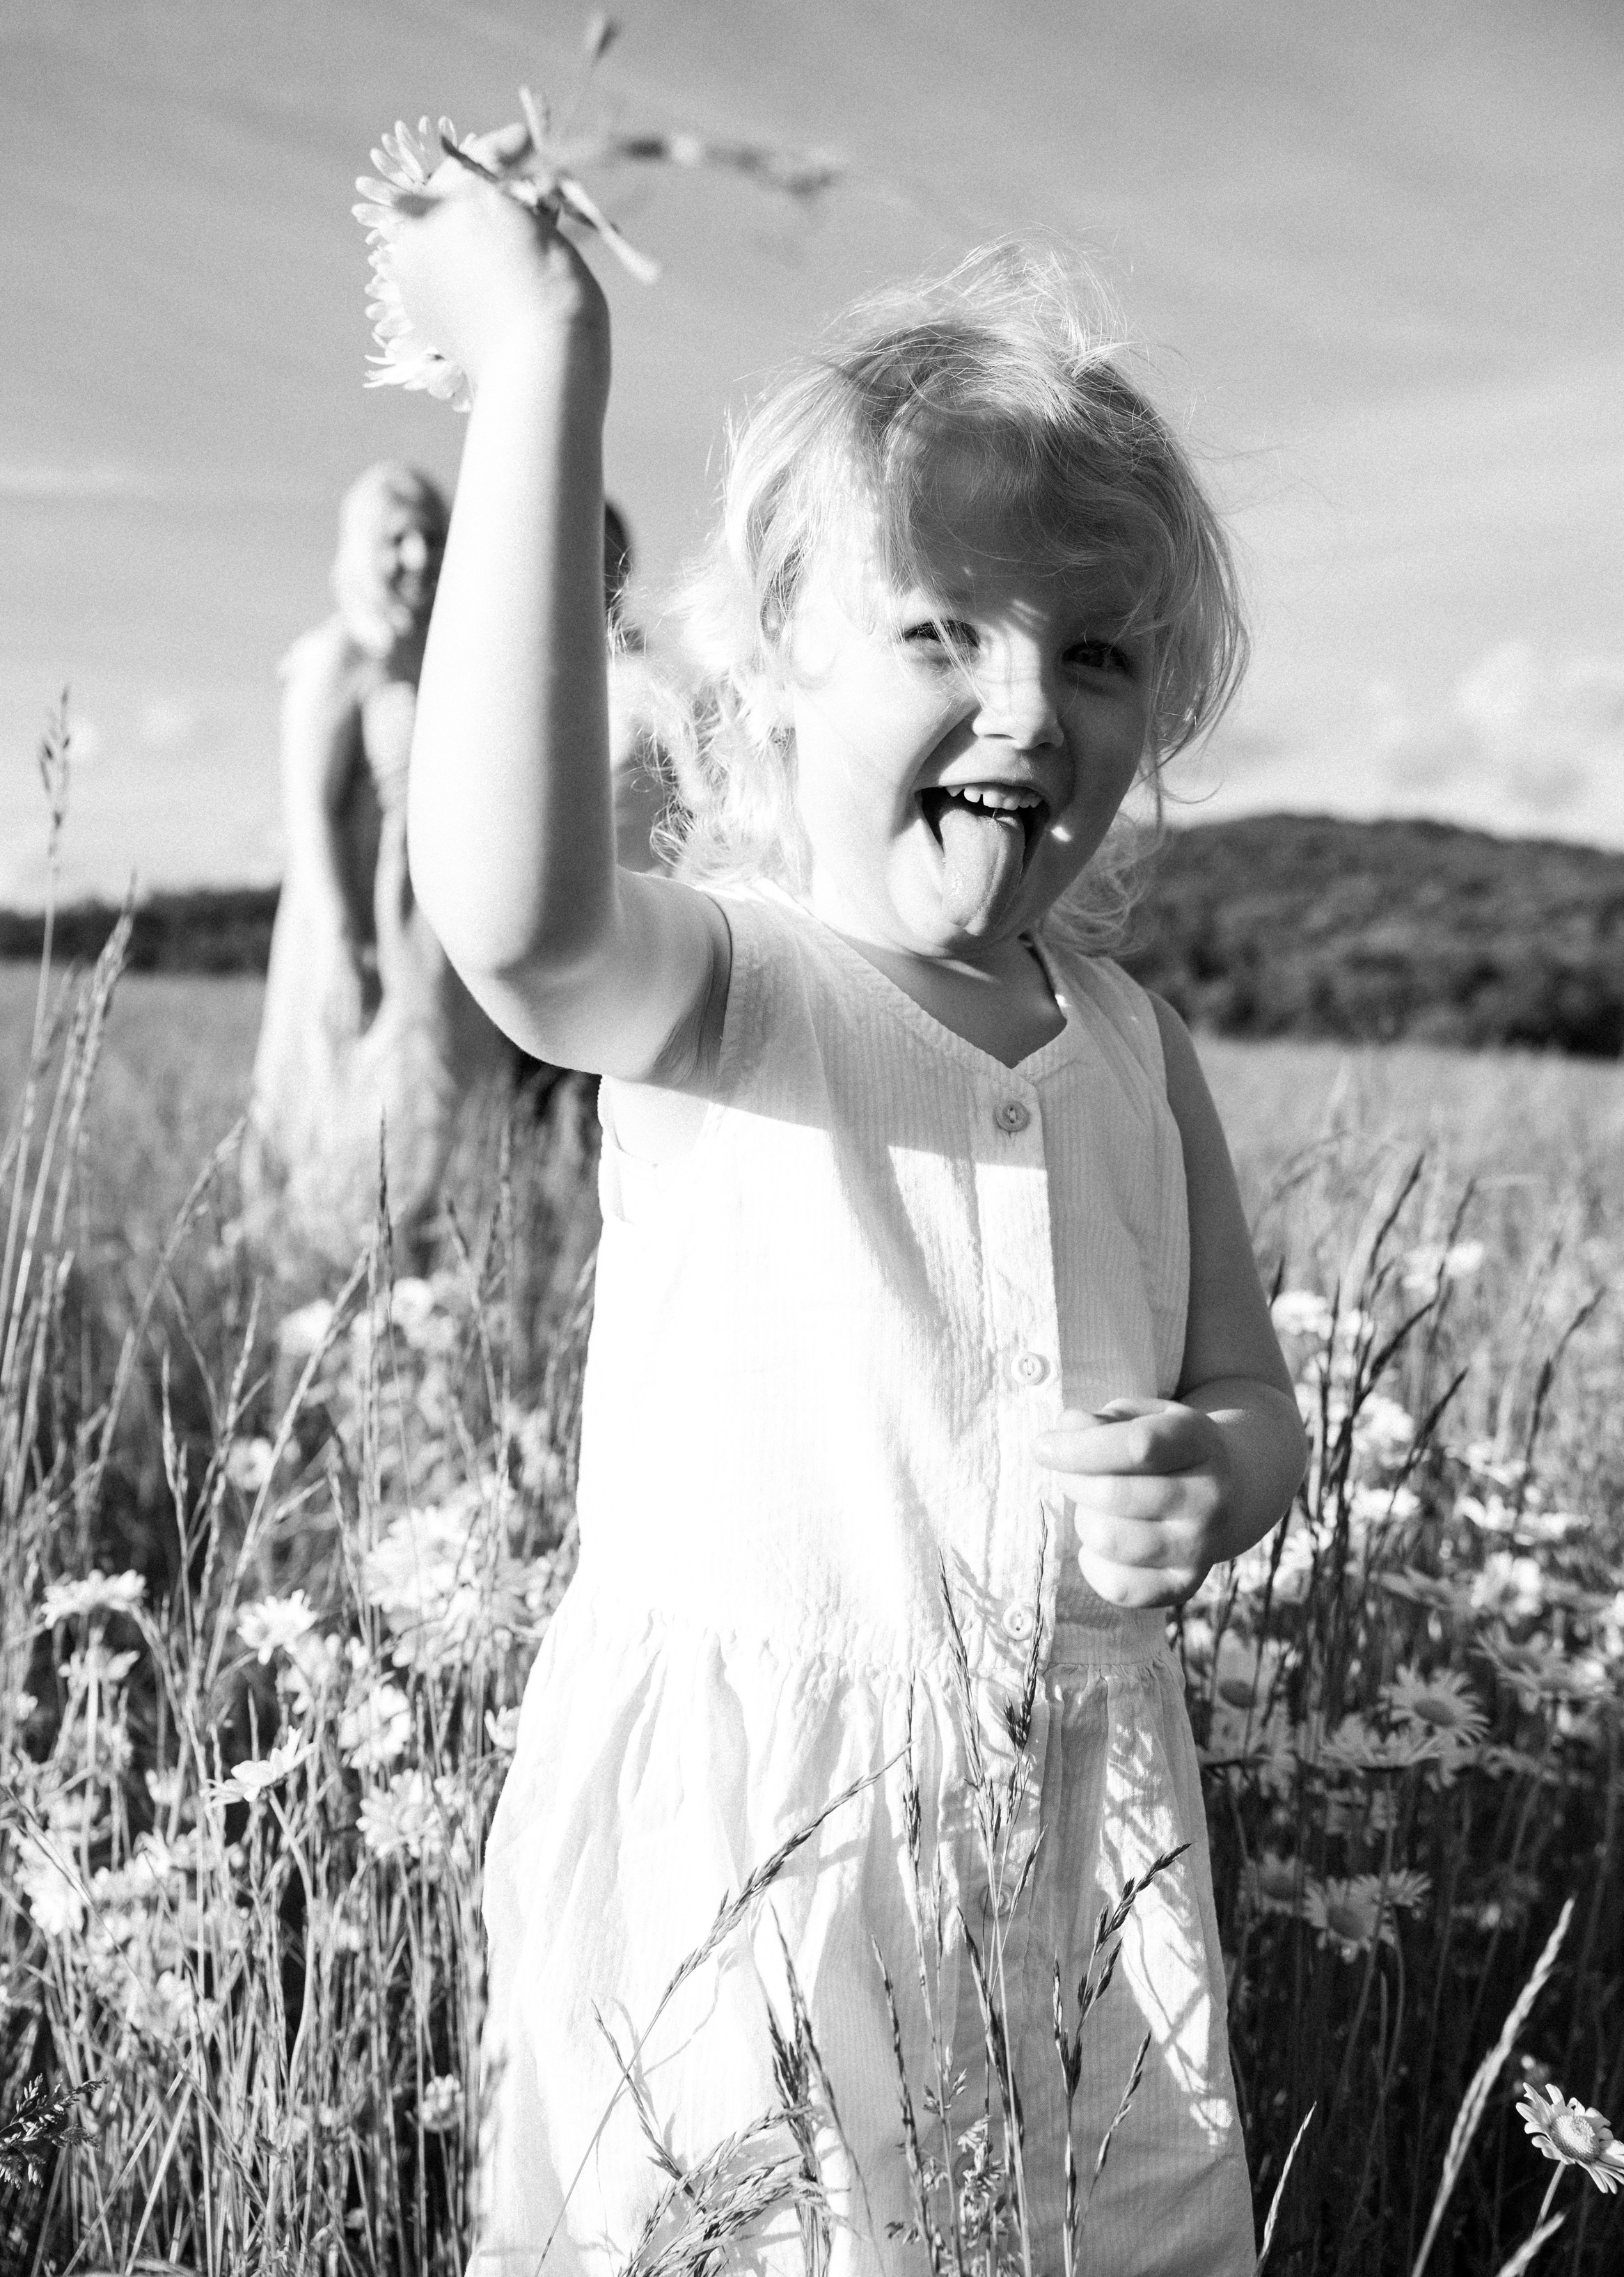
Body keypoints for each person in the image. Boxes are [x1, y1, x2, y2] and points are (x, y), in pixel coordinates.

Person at [391, 147, 1307, 2276]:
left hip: (1076, 1846)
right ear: (777, 664)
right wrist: (537, 368)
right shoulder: (742, 984)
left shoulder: (1136, 1043)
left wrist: (1214, 1476)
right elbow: (515, 922)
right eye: (937, 627)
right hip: (764, 1865)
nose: (1020, 699)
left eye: (1092, 651)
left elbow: (1250, 1392)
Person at [244, 462, 507, 1266]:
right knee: (350, 1097)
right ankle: (328, 1278)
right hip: (358, 916)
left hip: (436, 923)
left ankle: (417, 1282)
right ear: (363, 546)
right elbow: (308, 813)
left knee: (433, 1111)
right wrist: (348, 942)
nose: (421, 555)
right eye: (398, 538)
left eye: (432, 534)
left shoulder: (442, 655)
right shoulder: (336, 656)